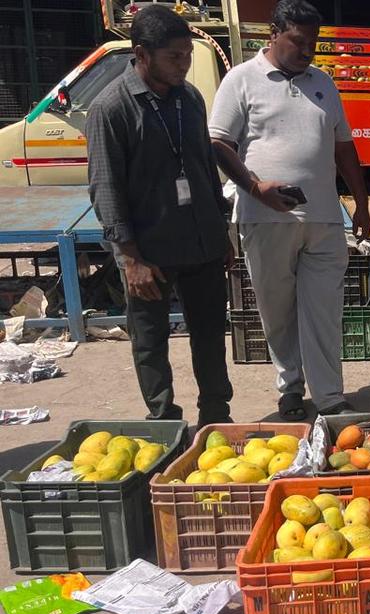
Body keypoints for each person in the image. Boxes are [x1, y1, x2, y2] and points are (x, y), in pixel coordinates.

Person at [210, 0, 370, 420]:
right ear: (274, 34)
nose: (308, 51)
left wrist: (361, 203)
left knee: (324, 310)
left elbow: (343, 147)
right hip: (266, 218)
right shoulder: (241, 79)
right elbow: (219, 143)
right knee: (277, 311)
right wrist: (254, 187)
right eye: (299, 41)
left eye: (313, 42)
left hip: (324, 218)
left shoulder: (324, 83)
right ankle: (290, 388)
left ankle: (330, 396)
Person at [86, 5, 234, 427]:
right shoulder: (111, 108)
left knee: (210, 337)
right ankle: (165, 420)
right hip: (148, 252)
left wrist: (221, 231)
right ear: (142, 54)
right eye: (174, 56)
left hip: (201, 243)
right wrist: (130, 259)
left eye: (188, 55)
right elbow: (105, 187)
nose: (184, 64)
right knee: (151, 343)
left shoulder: (190, 98)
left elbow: (204, 168)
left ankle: (215, 418)